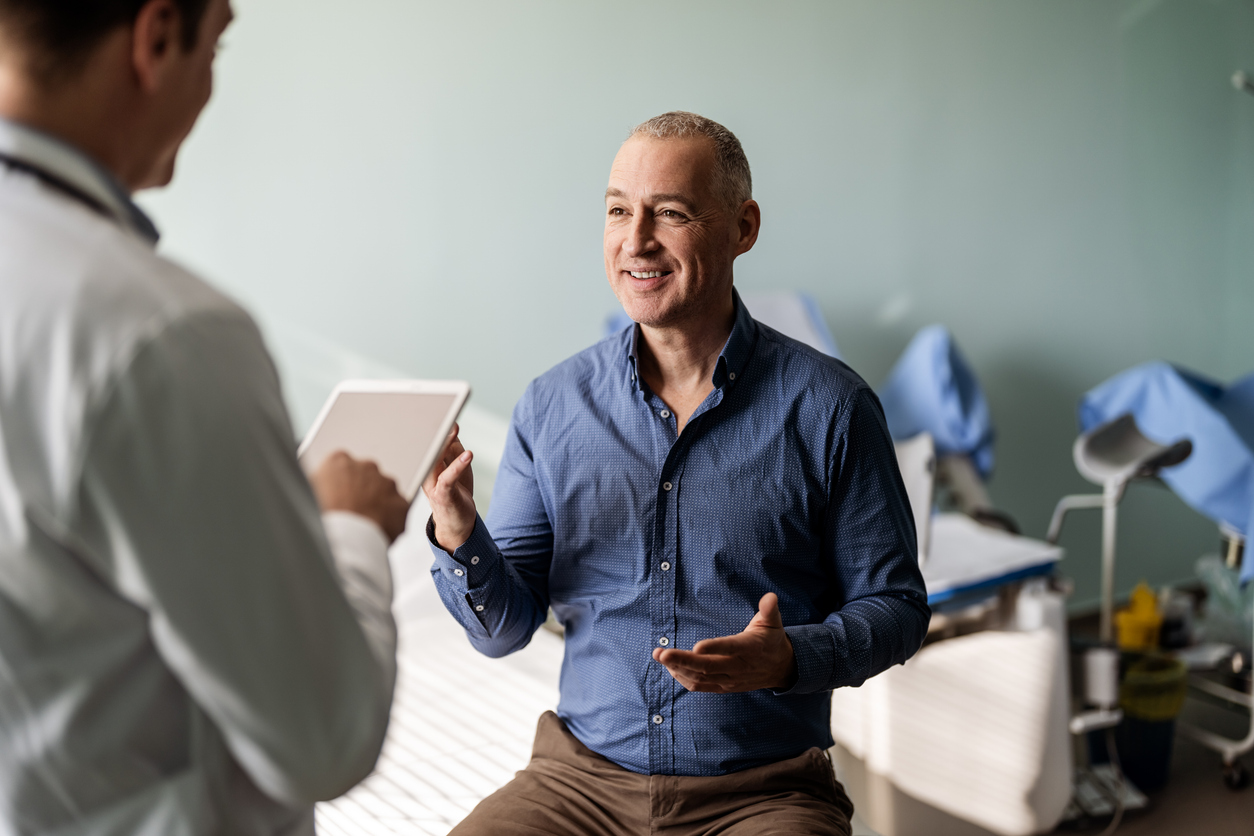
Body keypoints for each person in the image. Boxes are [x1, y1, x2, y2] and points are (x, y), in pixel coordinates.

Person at [424, 111, 931, 835]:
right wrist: (457, 528)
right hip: (578, 789)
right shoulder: (552, 406)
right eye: (618, 212)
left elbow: (899, 609)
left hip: (764, 793)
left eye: (670, 213)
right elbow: (504, 630)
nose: (636, 241)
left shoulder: (832, 407)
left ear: (743, 228)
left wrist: (791, 657)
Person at [0, 1, 410, 833]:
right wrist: (349, 527)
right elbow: (324, 738)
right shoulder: (161, 335)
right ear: (156, 39)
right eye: (215, 44)